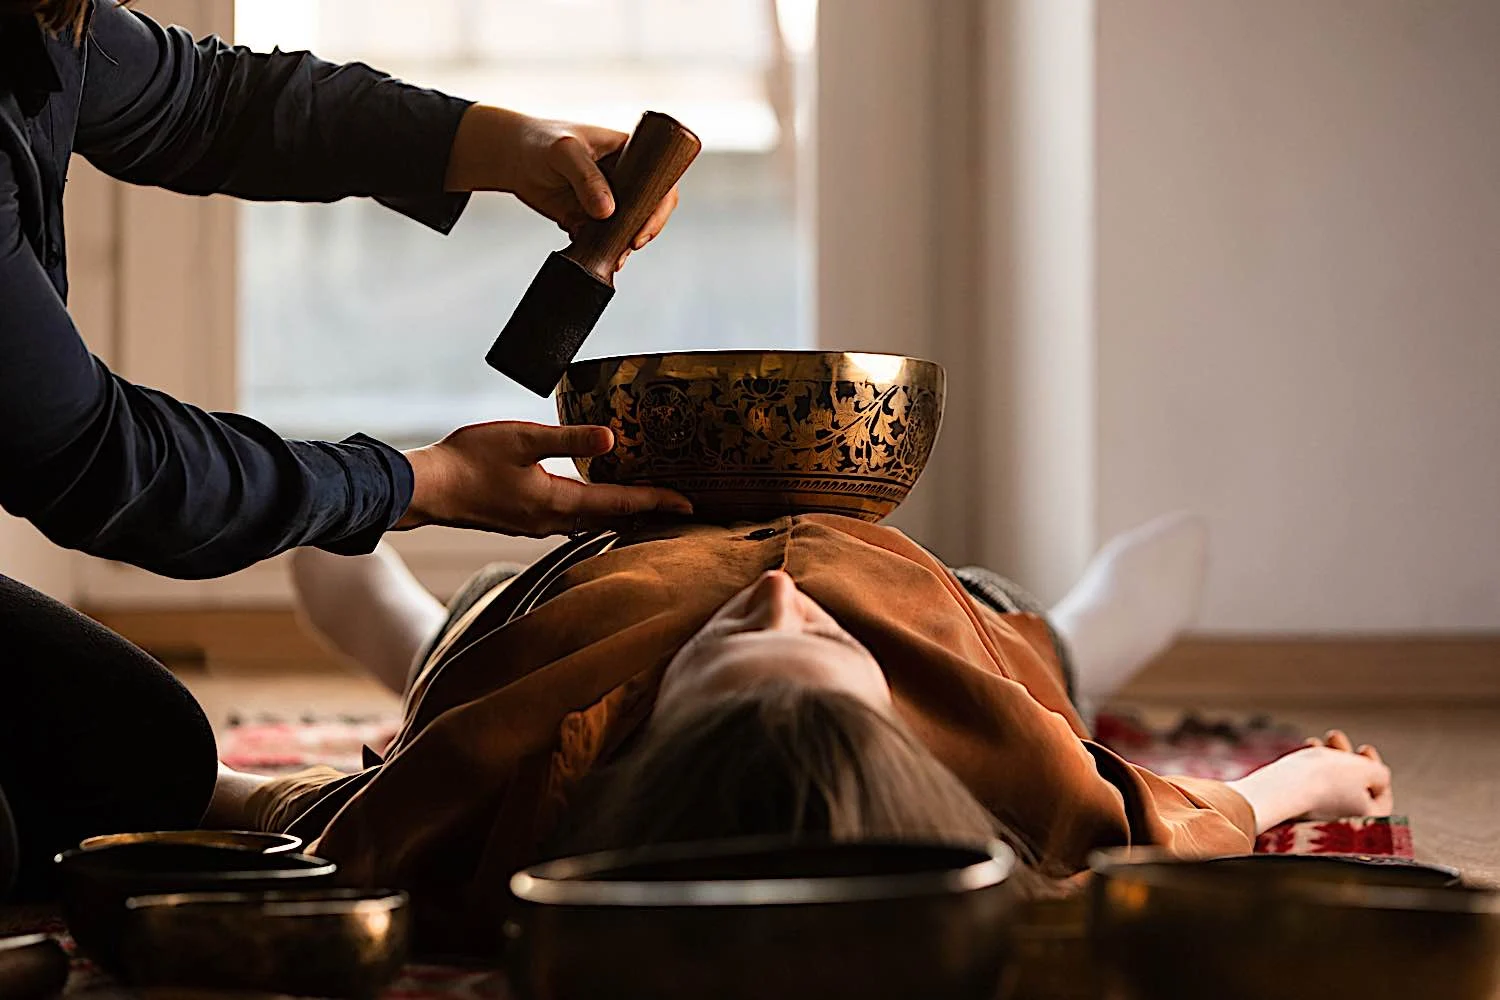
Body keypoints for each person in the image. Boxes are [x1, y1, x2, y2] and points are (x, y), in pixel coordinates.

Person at [0, 0, 691, 899]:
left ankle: (389, 678)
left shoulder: (43, 17)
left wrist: (506, 143)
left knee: (146, 751)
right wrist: (416, 482)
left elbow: (206, 102)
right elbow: (101, 461)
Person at [209, 512, 1395, 955]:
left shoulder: (513, 778)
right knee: (1027, 659)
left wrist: (212, 787)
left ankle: (411, 631)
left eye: (729, 649)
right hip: (920, 593)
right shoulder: (1028, 786)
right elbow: (1191, 827)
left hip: (594, 584)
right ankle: (1083, 635)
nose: (780, 599)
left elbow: (296, 824)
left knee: (475, 660)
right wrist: (1313, 775)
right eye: (826, 649)